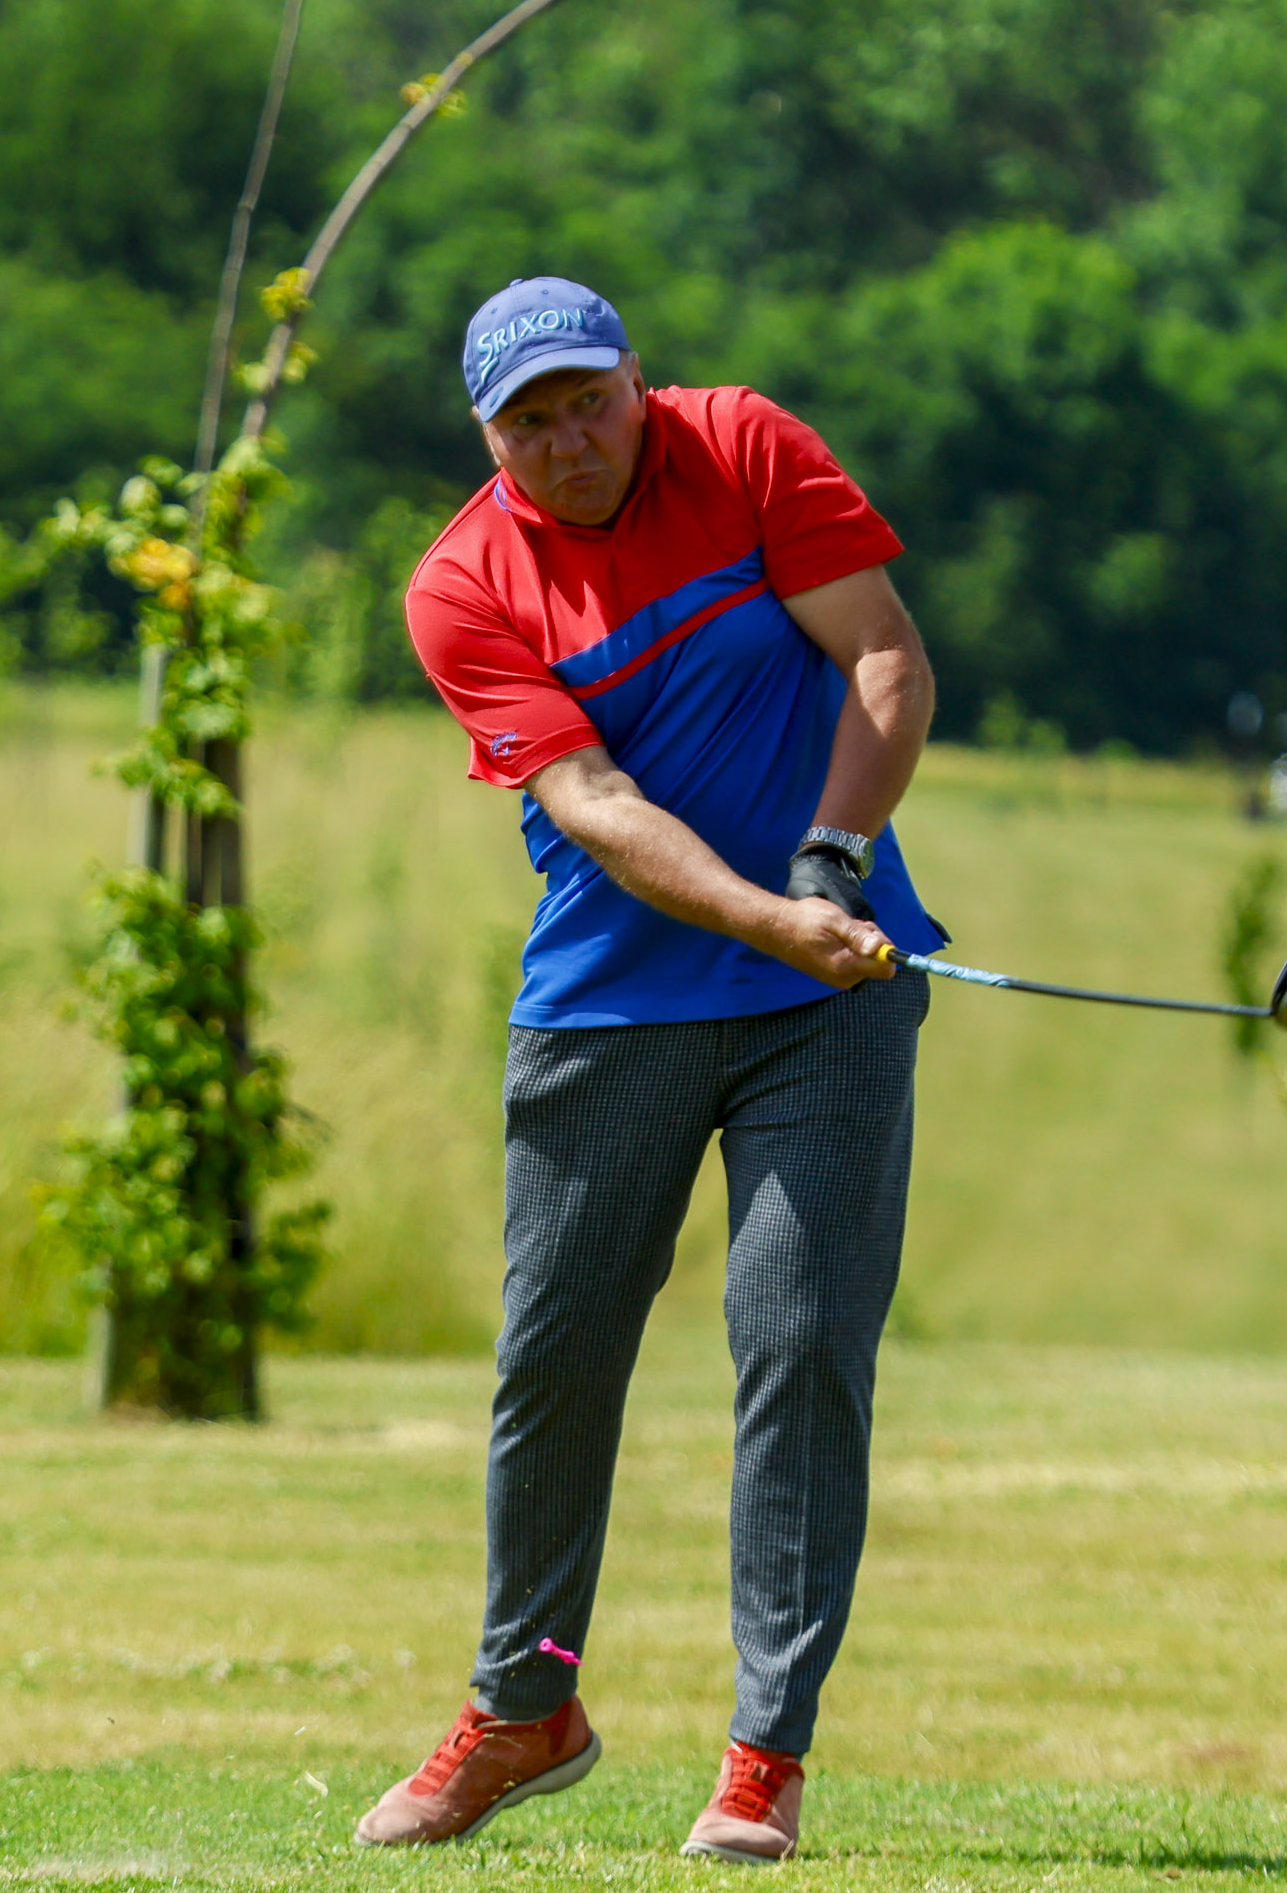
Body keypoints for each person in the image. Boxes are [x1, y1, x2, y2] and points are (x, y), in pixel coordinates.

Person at [359, 278, 941, 1863]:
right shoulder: (464, 584)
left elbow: (885, 655)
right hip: (611, 1013)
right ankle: (527, 1703)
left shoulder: (744, 448)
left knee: (799, 1338)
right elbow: (596, 806)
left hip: (829, 997)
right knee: (556, 1364)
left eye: (586, 402)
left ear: (637, 383)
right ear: (488, 441)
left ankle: (766, 1752)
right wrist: (764, 913)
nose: (567, 444)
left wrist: (833, 858)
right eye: (525, 424)